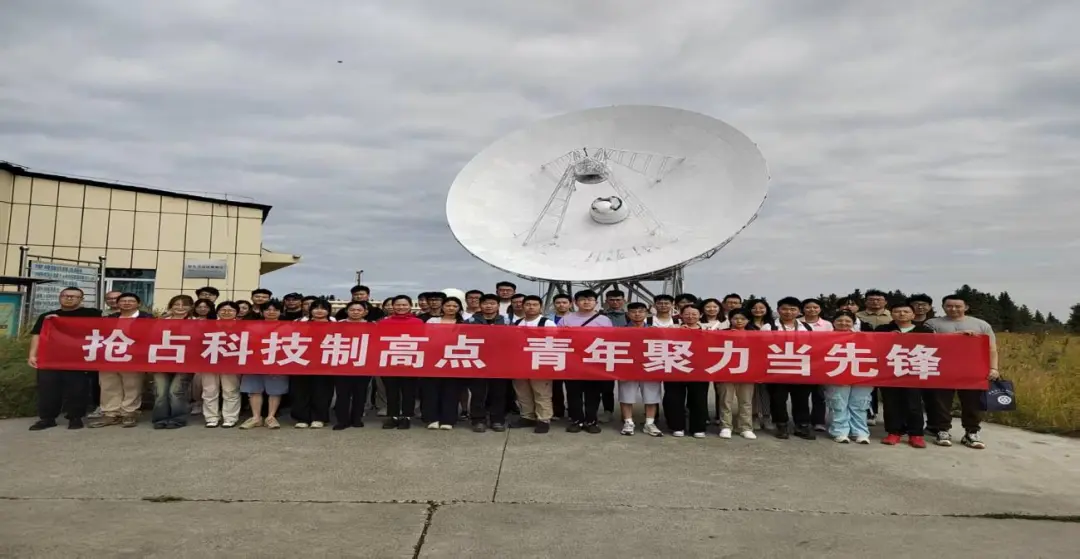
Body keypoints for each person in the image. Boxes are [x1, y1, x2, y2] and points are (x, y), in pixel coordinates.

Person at [924, 293, 999, 449]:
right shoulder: (932, 323)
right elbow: (927, 343)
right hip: (942, 367)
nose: (953, 309)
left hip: (973, 369)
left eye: (958, 306)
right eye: (949, 306)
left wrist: (993, 368)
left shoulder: (981, 324)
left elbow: (991, 348)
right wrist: (954, 336)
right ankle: (942, 430)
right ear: (943, 307)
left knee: (972, 402)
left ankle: (972, 432)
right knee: (941, 402)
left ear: (966, 307)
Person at [27, 287, 101, 431]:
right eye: (65, 296)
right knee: (48, 389)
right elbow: (37, 335)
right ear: (60, 297)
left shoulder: (92, 314)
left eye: (74, 296)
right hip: (50, 358)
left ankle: (75, 417)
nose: (69, 298)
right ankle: (47, 418)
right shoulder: (47, 317)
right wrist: (32, 355)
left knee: (77, 389)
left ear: (81, 299)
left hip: (78, 358)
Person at [876, 302, 933, 448]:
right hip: (889, 371)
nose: (901, 314)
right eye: (897, 311)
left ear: (913, 315)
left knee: (914, 403)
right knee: (891, 403)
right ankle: (894, 432)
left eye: (906, 311)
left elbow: (936, 346)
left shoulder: (924, 330)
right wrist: (887, 338)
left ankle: (916, 434)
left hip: (914, 372)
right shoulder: (883, 329)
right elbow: (873, 345)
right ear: (891, 314)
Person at [90, 292, 152, 428]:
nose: (127, 303)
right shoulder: (109, 318)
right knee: (108, 385)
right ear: (118, 304)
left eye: (131, 301)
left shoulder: (147, 318)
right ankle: (110, 413)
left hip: (134, 357)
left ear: (138, 304)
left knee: (132, 386)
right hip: (109, 356)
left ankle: (129, 412)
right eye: (123, 301)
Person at [560, 289, 613, 434]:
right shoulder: (566, 319)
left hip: (594, 361)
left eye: (590, 299)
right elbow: (558, 339)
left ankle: (591, 420)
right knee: (573, 393)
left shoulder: (604, 320)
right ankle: (576, 420)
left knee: (593, 393)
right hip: (572, 361)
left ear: (596, 302)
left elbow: (610, 340)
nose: (586, 302)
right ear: (575, 302)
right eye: (583, 299)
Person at [768, 296, 816, 440]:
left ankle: (802, 425)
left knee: (801, 399)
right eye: (784, 309)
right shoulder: (769, 326)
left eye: (792, 309)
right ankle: (781, 425)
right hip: (777, 368)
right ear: (778, 310)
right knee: (778, 399)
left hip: (800, 368)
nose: (788, 312)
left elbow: (813, 346)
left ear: (799, 311)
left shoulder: (807, 327)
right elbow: (762, 346)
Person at [239, 299, 289, 430]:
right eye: (267, 309)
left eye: (275, 310)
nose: (271, 312)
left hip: (277, 362)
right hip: (254, 361)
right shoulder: (252, 326)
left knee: (275, 390)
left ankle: (271, 417)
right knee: (254, 389)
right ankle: (256, 417)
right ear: (261, 312)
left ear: (281, 312)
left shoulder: (287, 327)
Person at [824, 310, 873, 444]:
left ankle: (860, 432)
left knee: (860, 404)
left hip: (861, 374)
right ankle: (840, 431)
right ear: (833, 322)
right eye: (839, 320)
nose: (843, 323)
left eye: (847, 321)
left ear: (853, 323)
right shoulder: (825, 337)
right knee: (838, 403)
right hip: (836, 373)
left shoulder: (863, 336)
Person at [662, 304, 710, 438]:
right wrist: (677, 332)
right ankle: (677, 426)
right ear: (681, 315)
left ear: (700, 315)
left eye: (694, 314)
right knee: (674, 398)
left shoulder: (708, 330)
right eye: (687, 314)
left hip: (699, 369)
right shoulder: (672, 328)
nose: (690, 317)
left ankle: (698, 427)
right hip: (675, 367)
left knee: (699, 398)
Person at [466, 293, 511, 432]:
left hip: (500, 362)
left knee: (498, 392)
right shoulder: (470, 321)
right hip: (477, 361)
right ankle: (478, 420)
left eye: (492, 303)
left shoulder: (506, 321)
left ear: (498, 306)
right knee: (478, 392)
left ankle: (497, 419)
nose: (489, 306)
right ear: (480, 305)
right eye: (485, 303)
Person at [511, 295, 556, 434]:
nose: (531, 307)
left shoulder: (547, 323)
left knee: (541, 392)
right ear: (523, 306)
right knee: (522, 392)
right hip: (520, 362)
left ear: (540, 307)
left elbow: (555, 342)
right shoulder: (517, 323)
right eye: (528, 304)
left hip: (540, 362)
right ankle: (527, 416)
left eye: (534, 305)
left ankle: (544, 419)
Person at [618, 302, 663, 437]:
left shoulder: (655, 330)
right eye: (633, 312)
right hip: (627, 367)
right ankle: (628, 422)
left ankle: (649, 423)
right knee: (626, 395)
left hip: (650, 366)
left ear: (646, 313)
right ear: (628, 314)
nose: (637, 314)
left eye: (641, 311)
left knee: (651, 396)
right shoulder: (620, 331)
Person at [152, 295, 195, 429]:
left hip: (185, 362)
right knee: (160, 392)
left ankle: (177, 419)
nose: (180, 308)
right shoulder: (161, 322)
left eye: (184, 305)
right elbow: (150, 337)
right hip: (161, 360)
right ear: (171, 306)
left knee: (176, 392)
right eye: (176, 304)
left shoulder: (196, 322)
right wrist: (161, 319)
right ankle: (160, 419)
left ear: (191, 307)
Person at [291, 299, 336, 429]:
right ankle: (302, 418)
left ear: (328, 311)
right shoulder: (300, 323)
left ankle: (319, 417)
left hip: (325, 362)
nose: (319, 311)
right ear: (310, 310)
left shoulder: (335, 325)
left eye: (323, 308)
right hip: (302, 360)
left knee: (322, 390)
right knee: (301, 390)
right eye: (316, 308)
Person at [422, 297, 466, 430]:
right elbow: (426, 336)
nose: (451, 308)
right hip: (433, 358)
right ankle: (432, 418)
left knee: (451, 389)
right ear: (442, 307)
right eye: (448, 305)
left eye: (454, 306)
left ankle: (448, 419)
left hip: (453, 358)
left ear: (459, 308)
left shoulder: (464, 323)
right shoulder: (432, 321)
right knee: (431, 389)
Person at [381, 295, 424, 429]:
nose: (401, 307)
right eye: (398, 305)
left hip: (410, 361)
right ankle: (393, 416)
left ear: (410, 306)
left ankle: (407, 416)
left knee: (409, 392)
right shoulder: (384, 323)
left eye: (404, 305)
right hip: (389, 361)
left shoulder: (418, 322)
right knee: (391, 391)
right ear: (392, 306)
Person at [202, 301, 243, 428]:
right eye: (223, 310)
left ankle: (230, 418)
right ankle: (211, 417)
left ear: (236, 312)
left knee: (230, 390)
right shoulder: (208, 325)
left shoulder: (243, 326)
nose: (226, 312)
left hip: (231, 362)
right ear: (217, 312)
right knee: (209, 390)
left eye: (230, 310)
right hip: (209, 361)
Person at [331, 300, 372, 430]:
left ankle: (357, 418)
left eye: (359, 310)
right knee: (342, 394)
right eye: (352, 310)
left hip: (363, 364)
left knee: (360, 393)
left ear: (365, 312)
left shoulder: (372, 326)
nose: (355, 312)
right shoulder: (338, 325)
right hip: (342, 363)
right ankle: (342, 420)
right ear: (347, 311)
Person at [718, 308, 757, 439]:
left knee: (746, 401)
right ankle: (725, 426)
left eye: (743, 319)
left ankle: (745, 427)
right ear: (730, 319)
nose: (739, 321)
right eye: (735, 318)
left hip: (747, 371)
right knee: (726, 400)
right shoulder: (721, 333)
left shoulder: (755, 334)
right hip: (726, 371)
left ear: (748, 320)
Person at [85, 290, 122, 419]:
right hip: (102, 351)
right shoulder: (98, 314)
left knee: (126, 382)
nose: (113, 301)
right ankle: (102, 406)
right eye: (109, 298)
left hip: (124, 351)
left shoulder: (136, 315)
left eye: (116, 298)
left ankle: (125, 409)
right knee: (101, 382)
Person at [745, 298, 774, 430]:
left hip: (769, 360)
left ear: (767, 309)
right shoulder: (746, 324)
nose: (758, 310)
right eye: (754, 308)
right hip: (750, 359)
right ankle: (754, 416)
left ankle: (767, 416)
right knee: (753, 390)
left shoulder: (773, 324)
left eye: (761, 308)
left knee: (766, 390)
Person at [188, 298, 216, 416]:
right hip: (191, 353)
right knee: (193, 381)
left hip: (209, 353)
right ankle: (196, 402)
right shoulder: (189, 321)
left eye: (205, 307)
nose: (202, 309)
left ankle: (203, 403)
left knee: (202, 380)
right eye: (199, 307)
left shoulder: (215, 321)